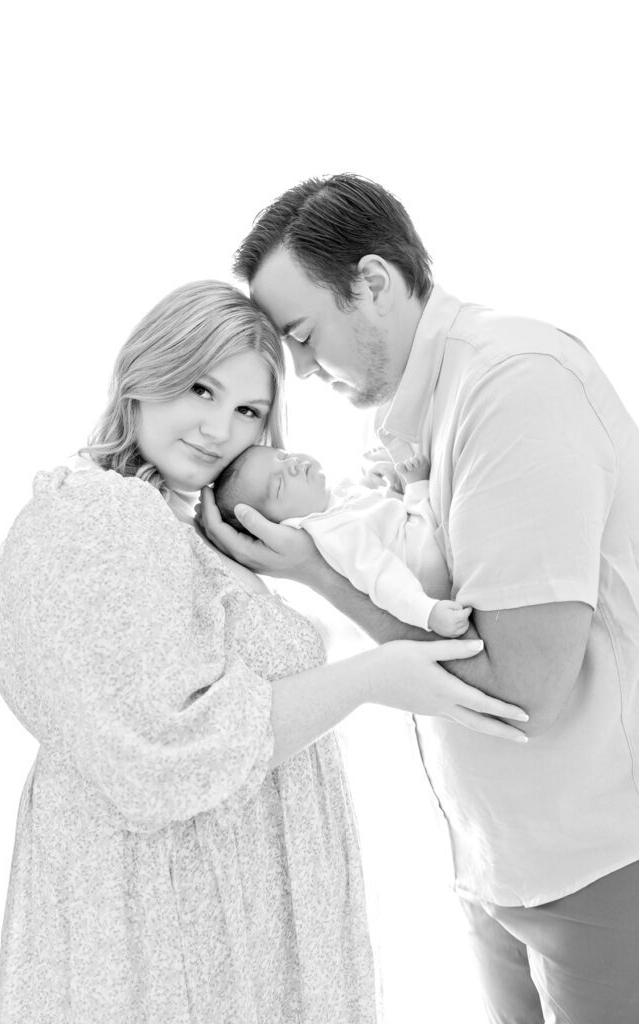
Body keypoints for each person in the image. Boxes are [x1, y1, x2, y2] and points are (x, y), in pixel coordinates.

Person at [0, 280, 529, 1024]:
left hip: (217, 905)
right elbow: (163, 754)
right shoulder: (101, 516)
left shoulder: (175, 528)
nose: (218, 428)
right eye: (200, 389)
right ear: (144, 374)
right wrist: (371, 678)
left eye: (248, 411)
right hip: (173, 916)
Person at [200, 175, 639, 1024]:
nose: (298, 369)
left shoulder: (514, 385)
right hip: (498, 862)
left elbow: (522, 693)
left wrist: (319, 576)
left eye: (301, 335)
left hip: (599, 861)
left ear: (372, 283)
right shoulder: (401, 416)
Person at [214, 443, 470, 636]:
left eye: (282, 455)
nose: (292, 464)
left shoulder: (333, 503)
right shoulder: (334, 533)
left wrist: (385, 486)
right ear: (277, 525)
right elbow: (382, 577)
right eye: (279, 483)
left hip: (419, 541)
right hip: (427, 578)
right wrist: (427, 612)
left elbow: (381, 522)